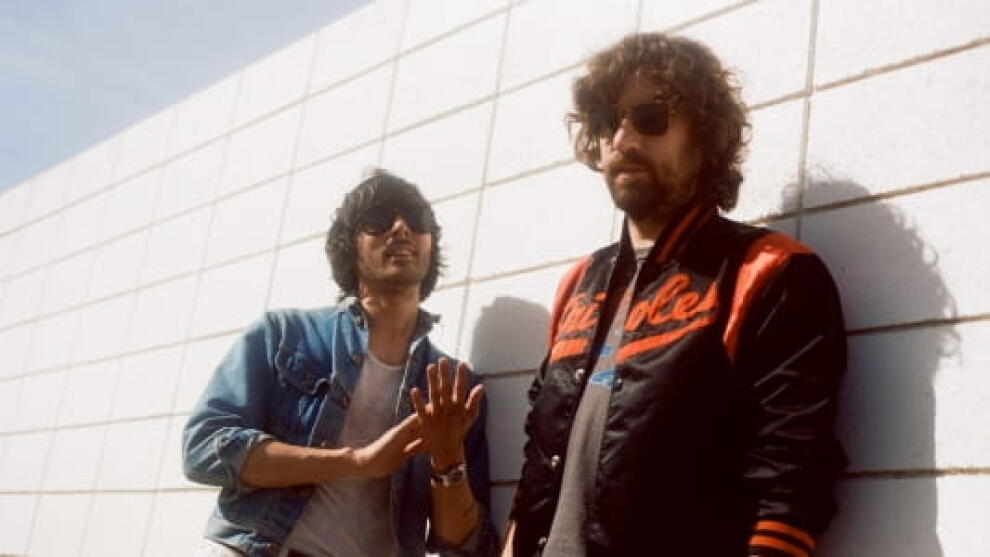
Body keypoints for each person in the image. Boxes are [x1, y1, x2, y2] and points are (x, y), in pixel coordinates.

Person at [503, 33, 847, 557]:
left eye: (650, 118)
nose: (622, 138)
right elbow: (539, 456)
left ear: (706, 138)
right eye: (607, 121)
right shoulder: (578, 283)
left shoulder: (770, 272)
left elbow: (792, 484)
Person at [183, 170, 497, 557]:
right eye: (379, 219)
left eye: (417, 220)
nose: (401, 228)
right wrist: (357, 462)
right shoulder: (284, 335)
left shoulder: (456, 388)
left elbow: (464, 543)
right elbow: (202, 448)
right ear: (351, 245)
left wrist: (448, 458)